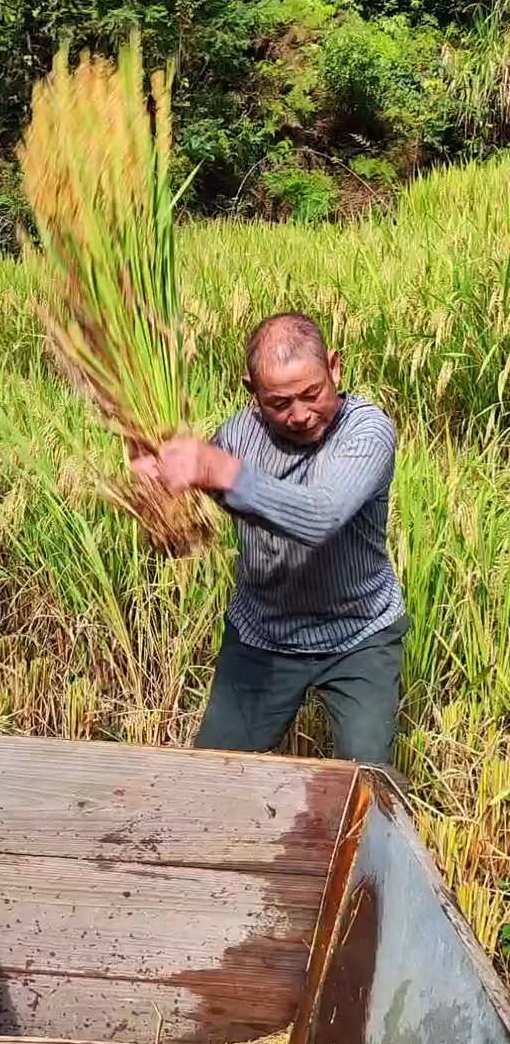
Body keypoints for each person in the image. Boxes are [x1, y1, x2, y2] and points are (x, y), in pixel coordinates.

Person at [131, 312, 409, 764]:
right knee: (213, 776)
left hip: (359, 634)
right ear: (252, 393)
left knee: (365, 783)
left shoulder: (367, 430)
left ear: (334, 369)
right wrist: (158, 487)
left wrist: (218, 470)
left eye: (312, 394)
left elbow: (322, 513)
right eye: (279, 403)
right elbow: (185, 530)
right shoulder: (239, 435)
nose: (299, 415)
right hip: (262, 635)